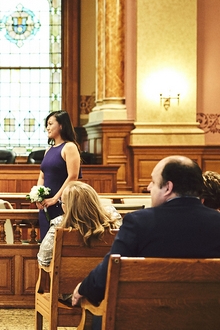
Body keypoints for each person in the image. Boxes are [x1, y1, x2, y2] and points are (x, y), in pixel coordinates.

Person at [72, 156, 220, 309]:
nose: (149, 187)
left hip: (146, 318)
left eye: (154, 182)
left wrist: (83, 289)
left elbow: (109, 271)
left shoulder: (139, 222)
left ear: (168, 188)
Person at [37, 181, 121, 268]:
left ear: (66, 207)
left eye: (62, 202)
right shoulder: (113, 220)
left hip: (69, 279)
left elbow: (44, 259)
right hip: (104, 278)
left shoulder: (58, 225)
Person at [34, 110, 81, 240]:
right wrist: (38, 195)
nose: (47, 128)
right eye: (47, 125)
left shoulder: (69, 147)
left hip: (62, 204)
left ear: (61, 125)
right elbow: (42, 175)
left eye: (50, 124)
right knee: (45, 243)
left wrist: (55, 199)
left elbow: (73, 176)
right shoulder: (48, 150)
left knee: (59, 243)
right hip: (46, 205)